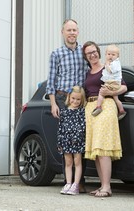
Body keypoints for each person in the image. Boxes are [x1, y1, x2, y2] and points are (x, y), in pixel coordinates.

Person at [45, 19, 89, 193]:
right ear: (62, 32)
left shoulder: (83, 52)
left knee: (80, 140)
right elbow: (51, 80)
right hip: (63, 99)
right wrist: (53, 103)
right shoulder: (56, 54)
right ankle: (67, 181)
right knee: (67, 140)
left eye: (74, 30)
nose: (72, 33)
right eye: (68, 30)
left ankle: (80, 182)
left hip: (81, 101)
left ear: (78, 32)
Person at [82, 41, 127, 197]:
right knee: (97, 149)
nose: (92, 55)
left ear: (99, 52)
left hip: (106, 105)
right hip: (90, 108)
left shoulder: (109, 67)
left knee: (103, 146)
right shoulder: (87, 73)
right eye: (89, 53)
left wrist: (109, 92)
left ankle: (107, 187)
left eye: (94, 51)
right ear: (86, 57)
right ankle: (102, 186)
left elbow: (123, 87)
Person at [57, 86, 86, 195]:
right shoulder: (64, 112)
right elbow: (60, 128)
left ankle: (76, 185)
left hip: (77, 142)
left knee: (77, 162)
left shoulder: (82, 112)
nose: (75, 101)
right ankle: (68, 183)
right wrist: (60, 142)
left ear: (81, 100)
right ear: (69, 97)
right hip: (66, 141)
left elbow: (83, 127)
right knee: (68, 163)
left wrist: (78, 137)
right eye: (73, 98)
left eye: (78, 99)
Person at [91, 44, 126, 120]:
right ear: (105, 55)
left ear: (117, 56)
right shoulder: (113, 63)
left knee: (101, 93)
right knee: (116, 98)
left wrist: (107, 65)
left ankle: (98, 106)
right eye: (109, 54)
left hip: (112, 83)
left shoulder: (115, 63)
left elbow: (111, 71)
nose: (110, 56)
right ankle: (121, 110)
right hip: (114, 83)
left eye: (113, 55)